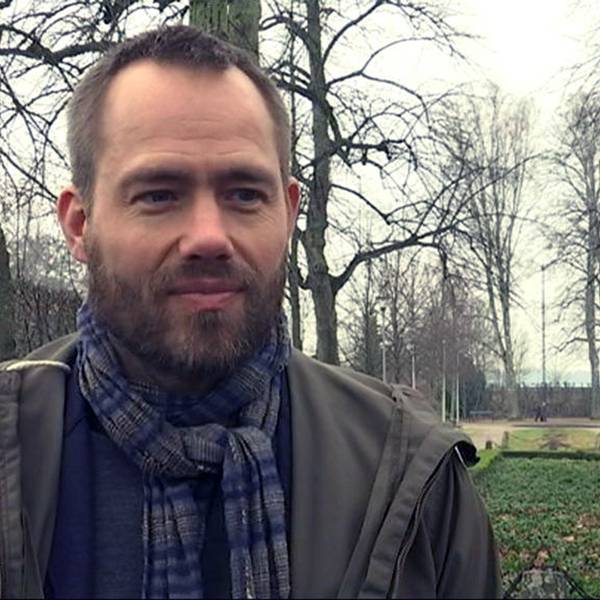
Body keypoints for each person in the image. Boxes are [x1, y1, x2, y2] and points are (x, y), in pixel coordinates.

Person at [0, 26, 501, 599]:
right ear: (79, 224)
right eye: (159, 195)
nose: (209, 237)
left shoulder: (414, 476)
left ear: (288, 214)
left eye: (244, 195)